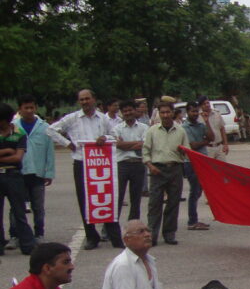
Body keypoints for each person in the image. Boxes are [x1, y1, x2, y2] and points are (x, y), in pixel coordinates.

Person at [50, 90, 123, 248]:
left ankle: (114, 235)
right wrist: (68, 144)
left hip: (102, 163)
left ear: (94, 100)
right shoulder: (72, 118)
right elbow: (50, 130)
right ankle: (91, 236)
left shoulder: (103, 118)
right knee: (84, 200)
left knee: (106, 198)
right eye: (81, 100)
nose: (84, 102)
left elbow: (115, 135)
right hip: (82, 162)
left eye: (87, 99)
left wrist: (105, 138)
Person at [143, 102, 188, 246]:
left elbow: (187, 151)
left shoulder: (180, 131)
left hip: (175, 169)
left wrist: (183, 153)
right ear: (159, 114)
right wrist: (150, 166)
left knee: (173, 203)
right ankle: (152, 235)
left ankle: (169, 233)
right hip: (157, 169)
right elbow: (145, 152)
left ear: (172, 113)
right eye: (162, 112)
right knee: (154, 204)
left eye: (168, 112)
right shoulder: (152, 131)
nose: (165, 115)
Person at [13, 95, 55, 242]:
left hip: (37, 172)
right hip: (18, 172)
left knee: (38, 206)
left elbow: (50, 152)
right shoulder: (14, 127)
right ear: (20, 109)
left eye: (32, 107)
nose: (29, 111)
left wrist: (49, 172)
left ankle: (39, 233)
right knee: (16, 206)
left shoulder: (44, 127)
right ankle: (15, 235)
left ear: (36, 108)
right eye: (26, 108)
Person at [0, 102, 35, 256]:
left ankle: (27, 245)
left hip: (13, 176)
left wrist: (10, 154)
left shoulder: (19, 134)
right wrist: (8, 150)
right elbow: (13, 155)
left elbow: (17, 158)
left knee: (19, 212)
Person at [113, 99, 149, 222]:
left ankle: (133, 226)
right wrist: (135, 143)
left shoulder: (144, 127)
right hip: (121, 165)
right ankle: (110, 229)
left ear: (135, 110)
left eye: (130, 110)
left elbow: (143, 145)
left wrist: (124, 144)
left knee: (136, 199)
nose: (128, 113)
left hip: (138, 165)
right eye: (125, 111)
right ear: (122, 113)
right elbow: (117, 144)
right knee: (117, 198)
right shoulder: (117, 128)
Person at [182, 102, 213, 232]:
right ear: (187, 112)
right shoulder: (184, 127)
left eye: (196, 111)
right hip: (191, 162)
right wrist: (204, 142)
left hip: (202, 160)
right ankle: (192, 220)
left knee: (198, 190)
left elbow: (211, 137)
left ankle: (194, 219)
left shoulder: (201, 125)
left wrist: (207, 122)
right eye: (192, 111)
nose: (195, 114)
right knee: (194, 191)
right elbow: (192, 145)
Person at [198, 95, 230, 162]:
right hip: (207, 148)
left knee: (222, 169)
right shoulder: (198, 117)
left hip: (219, 146)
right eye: (204, 104)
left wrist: (225, 144)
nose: (207, 105)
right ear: (201, 106)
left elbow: (222, 129)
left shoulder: (216, 113)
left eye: (207, 103)